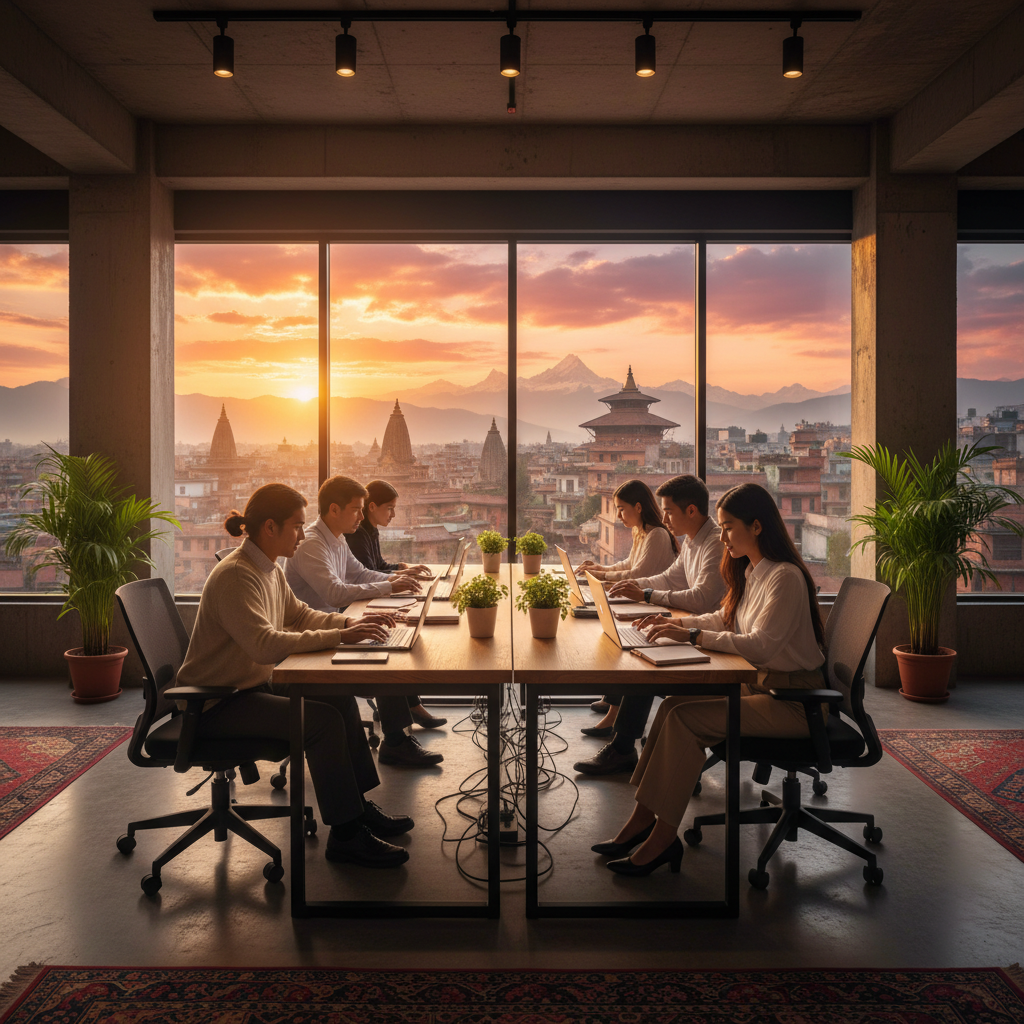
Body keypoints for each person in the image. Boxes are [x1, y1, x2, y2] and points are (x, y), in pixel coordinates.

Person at [592, 482, 826, 877]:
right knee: (671, 705)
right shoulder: (755, 570)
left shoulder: (784, 577)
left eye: (728, 527)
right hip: (761, 687)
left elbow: (762, 647)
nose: (722, 537)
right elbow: (724, 618)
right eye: (719, 528)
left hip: (795, 702)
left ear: (756, 526)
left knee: (685, 719)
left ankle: (663, 838)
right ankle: (641, 820)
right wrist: (674, 623)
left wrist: (693, 635)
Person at [176, 483, 414, 869]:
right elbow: (265, 645)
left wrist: (351, 622)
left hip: (249, 687)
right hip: (217, 702)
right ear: (270, 527)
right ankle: (346, 836)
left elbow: (301, 614)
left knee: (336, 696)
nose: (302, 534)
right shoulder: (238, 575)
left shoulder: (268, 568)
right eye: (296, 526)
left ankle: (357, 810)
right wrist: (341, 634)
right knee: (320, 722)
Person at [285, 475, 447, 767]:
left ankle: (399, 734)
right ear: (334, 509)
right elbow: (334, 593)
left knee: (386, 636)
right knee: (383, 654)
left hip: (336, 623)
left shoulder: (336, 539)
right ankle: (395, 742)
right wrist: (389, 586)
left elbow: (360, 573)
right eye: (357, 509)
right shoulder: (311, 544)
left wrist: (397, 578)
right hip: (314, 638)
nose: (362, 516)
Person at [574, 475, 727, 775]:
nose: (665, 518)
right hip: (696, 626)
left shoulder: (714, 544)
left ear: (692, 511)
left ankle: (622, 749)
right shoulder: (693, 541)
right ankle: (623, 745)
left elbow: (702, 599)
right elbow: (669, 577)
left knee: (643, 664)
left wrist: (645, 592)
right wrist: (637, 587)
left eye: (669, 511)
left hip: (711, 636)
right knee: (641, 648)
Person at [576, 478, 678, 582]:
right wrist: (600, 568)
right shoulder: (639, 530)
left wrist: (601, 575)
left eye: (621, 509)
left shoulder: (657, 534)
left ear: (638, 507)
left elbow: (638, 574)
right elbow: (630, 564)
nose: (618, 515)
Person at [347, 479, 432, 578]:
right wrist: (403, 574)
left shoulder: (371, 530)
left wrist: (401, 567)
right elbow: (369, 575)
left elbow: (380, 565)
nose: (393, 514)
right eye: (389, 508)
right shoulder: (358, 535)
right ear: (372, 507)